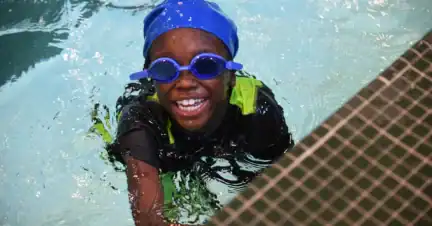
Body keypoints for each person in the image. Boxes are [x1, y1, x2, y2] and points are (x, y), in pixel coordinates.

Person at [108, 0, 295, 225]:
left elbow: (291, 183)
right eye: (165, 68)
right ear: (151, 76)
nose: (185, 83)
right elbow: (150, 219)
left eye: (206, 65)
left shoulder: (256, 109)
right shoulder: (141, 121)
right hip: (164, 156)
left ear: (231, 76)